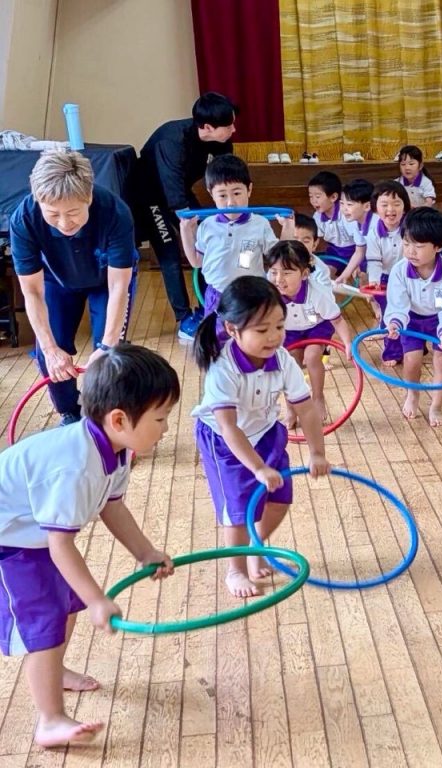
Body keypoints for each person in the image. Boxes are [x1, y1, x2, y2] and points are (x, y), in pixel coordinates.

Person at [0, 344, 179, 747]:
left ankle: (55, 670)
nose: (167, 429)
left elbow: (113, 508)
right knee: (45, 621)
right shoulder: (76, 466)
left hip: (31, 532)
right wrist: (99, 599)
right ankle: (49, 720)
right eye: (160, 418)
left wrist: (145, 553)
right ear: (119, 419)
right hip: (9, 540)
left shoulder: (115, 450)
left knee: (67, 606)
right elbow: (61, 545)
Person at [192, 277, 329, 598]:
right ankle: (236, 569)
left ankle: (256, 546)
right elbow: (229, 427)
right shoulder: (222, 369)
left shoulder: (282, 360)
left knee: (279, 500)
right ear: (232, 329)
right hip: (223, 441)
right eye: (262, 329)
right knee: (239, 511)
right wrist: (257, 468)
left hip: (265, 431)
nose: (274, 336)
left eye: (279, 326)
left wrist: (317, 452)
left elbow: (306, 410)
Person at [10, 150, 137, 425]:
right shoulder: (23, 220)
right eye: (53, 214)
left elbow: (119, 286)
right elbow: (32, 291)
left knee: (110, 356)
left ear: (88, 197)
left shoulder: (115, 212)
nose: (64, 223)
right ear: (38, 200)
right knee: (48, 352)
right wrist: (50, 349)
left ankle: (106, 419)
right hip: (56, 280)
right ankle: (70, 412)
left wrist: (107, 345)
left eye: (73, 212)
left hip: (106, 281)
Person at [130, 92, 236, 339]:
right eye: (229, 125)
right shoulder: (172, 141)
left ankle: (208, 306)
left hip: (180, 192)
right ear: (208, 127)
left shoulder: (221, 140)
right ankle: (184, 318)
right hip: (150, 197)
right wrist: (189, 228)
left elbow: (226, 175)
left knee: (209, 245)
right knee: (169, 253)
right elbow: (173, 193)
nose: (234, 129)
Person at [180, 155, 294, 315]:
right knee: (216, 332)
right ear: (211, 194)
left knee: (251, 331)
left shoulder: (260, 223)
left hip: (252, 297)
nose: (230, 202)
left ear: (249, 190)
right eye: (222, 195)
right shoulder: (207, 225)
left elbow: (280, 258)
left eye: (237, 193)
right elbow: (196, 262)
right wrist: (185, 231)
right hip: (217, 296)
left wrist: (288, 228)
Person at [383, 207, 442, 426]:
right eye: (406, 244)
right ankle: (412, 394)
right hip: (412, 319)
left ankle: (436, 407)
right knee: (412, 360)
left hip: (441, 320)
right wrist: (395, 321)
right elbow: (397, 303)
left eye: (418, 246)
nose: (411, 251)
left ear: (438, 247)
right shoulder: (400, 271)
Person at [265, 241, 354, 425]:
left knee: (312, 356)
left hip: (317, 327)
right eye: (274, 272)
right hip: (289, 331)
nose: (279, 279)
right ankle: (291, 409)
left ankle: (318, 397)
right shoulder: (270, 294)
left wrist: (347, 343)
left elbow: (338, 320)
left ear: (304, 274)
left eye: (287, 273)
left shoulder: (318, 293)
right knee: (290, 364)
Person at [364, 181, 412, 367]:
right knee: (390, 317)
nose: (390, 210)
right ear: (375, 208)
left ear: (405, 207)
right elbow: (374, 261)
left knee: (412, 314)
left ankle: (415, 346)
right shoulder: (373, 232)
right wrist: (374, 282)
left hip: (409, 277)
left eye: (396, 204)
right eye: (384, 204)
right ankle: (393, 352)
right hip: (385, 280)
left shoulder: (410, 228)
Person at [308, 171, 359, 274]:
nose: (313, 201)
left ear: (333, 197)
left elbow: (361, 244)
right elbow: (314, 239)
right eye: (310, 196)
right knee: (326, 272)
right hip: (334, 252)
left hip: (356, 251)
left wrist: (358, 263)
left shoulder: (346, 213)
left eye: (317, 196)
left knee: (359, 276)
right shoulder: (317, 217)